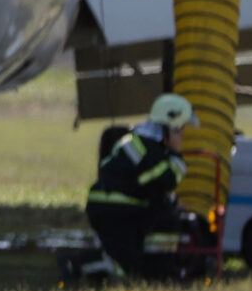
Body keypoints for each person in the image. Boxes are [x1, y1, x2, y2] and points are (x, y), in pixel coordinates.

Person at [85, 92, 199, 279]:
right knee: (128, 267)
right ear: (169, 127)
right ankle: (77, 265)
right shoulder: (149, 148)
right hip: (116, 208)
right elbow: (167, 179)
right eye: (180, 129)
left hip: (114, 206)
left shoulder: (142, 141)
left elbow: (153, 188)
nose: (183, 134)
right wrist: (177, 155)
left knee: (130, 263)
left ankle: (108, 265)